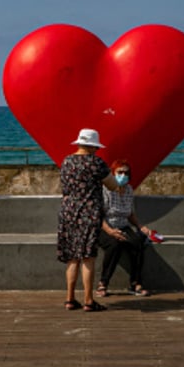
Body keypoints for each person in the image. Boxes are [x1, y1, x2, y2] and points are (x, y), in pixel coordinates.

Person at [58, 128, 120, 312]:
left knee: (72, 258)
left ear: (79, 144)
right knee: (88, 257)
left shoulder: (67, 161)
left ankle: (69, 299)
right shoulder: (96, 163)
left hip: (68, 211)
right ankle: (88, 300)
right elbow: (113, 185)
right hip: (89, 212)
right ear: (93, 147)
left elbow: (65, 188)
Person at [96, 158, 153, 297]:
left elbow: (130, 214)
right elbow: (98, 215)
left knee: (137, 243)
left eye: (126, 173)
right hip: (104, 226)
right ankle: (103, 283)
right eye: (119, 172)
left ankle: (136, 283)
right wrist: (110, 231)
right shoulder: (105, 189)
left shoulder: (128, 190)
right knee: (114, 244)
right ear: (113, 173)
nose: (123, 175)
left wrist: (141, 227)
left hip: (123, 225)